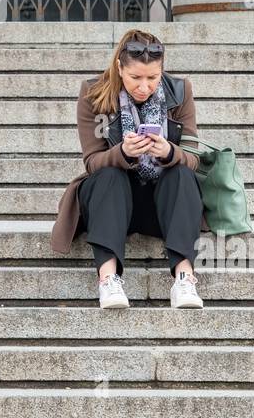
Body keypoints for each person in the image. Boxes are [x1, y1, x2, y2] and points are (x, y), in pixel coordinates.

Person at [50, 29, 205, 310]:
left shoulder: (181, 91)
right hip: (110, 202)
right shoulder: (93, 93)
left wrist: (169, 152)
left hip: (160, 202)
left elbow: (194, 158)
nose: (144, 87)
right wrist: (122, 153)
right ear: (120, 68)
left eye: (152, 78)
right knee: (108, 174)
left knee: (182, 173)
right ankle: (109, 280)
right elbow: (92, 161)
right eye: (135, 78)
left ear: (162, 71)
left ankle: (184, 278)